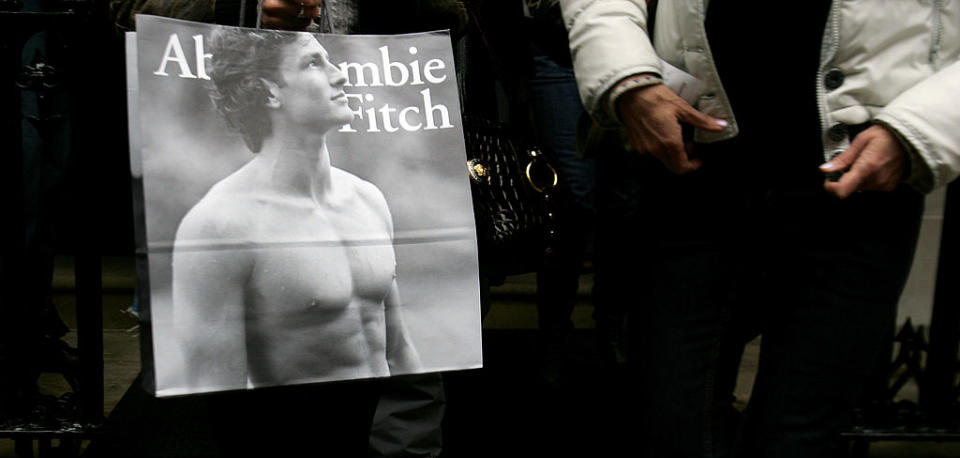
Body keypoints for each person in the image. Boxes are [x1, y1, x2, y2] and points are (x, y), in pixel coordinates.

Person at [559, 0, 960, 456]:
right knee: (668, 423)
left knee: (797, 436)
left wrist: (922, 128)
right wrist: (626, 77)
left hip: (862, 181)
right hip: (695, 168)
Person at [173, 27, 420, 391]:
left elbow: (399, 353)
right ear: (270, 90)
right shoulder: (219, 224)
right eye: (313, 63)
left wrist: (421, 442)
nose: (341, 74)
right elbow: (214, 391)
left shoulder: (368, 199)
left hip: (385, 439)